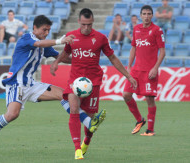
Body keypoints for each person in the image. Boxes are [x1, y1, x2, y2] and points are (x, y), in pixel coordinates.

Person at [0, 15, 78, 159]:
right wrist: (60, 40)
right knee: (12, 115)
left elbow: (60, 57)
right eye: (44, 30)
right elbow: (38, 44)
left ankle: (85, 121)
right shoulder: (26, 38)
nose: (46, 33)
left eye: (48, 30)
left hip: (31, 84)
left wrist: (81, 60)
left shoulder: (43, 43)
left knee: (64, 94)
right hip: (16, 83)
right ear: (34, 28)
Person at [50, 8, 137, 160]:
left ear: (93, 22)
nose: (86, 28)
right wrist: (56, 62)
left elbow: (113, 59)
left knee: (90, 122)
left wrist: (128, 76)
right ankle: (77, 149)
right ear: (79, 22)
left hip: (93, 83)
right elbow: (66, 53)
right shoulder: (72, 37)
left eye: (89, 24)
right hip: (75, 81)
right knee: (74, 109)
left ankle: (87, 141)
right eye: (84, 24)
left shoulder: (101, 38)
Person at [123, 5, 165, 136]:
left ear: (152, 16)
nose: (146, 16)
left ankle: (150, 129)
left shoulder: (157, 30)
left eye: (149, 14)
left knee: (149, 99)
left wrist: (155, 68)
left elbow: (162, 52)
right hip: (136, 70)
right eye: (144, 14)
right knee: (126, 95)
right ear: (141, 16)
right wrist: (129, 66)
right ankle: (139, 119)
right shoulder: (136, 29)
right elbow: (134, 48)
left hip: (149, 71)